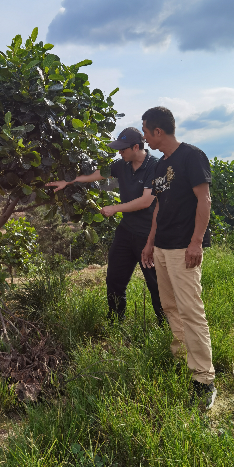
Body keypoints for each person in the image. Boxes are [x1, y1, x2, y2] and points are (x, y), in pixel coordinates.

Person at [47, 127, 164, 324]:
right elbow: (98, 174)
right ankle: (115, 322)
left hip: (148, 233)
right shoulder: (122, 165)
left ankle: (166, 326)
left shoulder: (155, 166)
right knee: (114, 279)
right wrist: (68, 182)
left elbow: (146, 201)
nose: (120, 152)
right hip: (126, 231)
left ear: (136, 147)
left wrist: (115, 208)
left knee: (156, 284)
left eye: (123, 149)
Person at [140, 107, 216, 410]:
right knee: (170, 306)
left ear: (158, 131)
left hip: (184, 248)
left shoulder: (192, 156)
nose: (145, 137)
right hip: (162, 247)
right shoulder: (160, 166)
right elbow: (159, 208)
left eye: (146, 131)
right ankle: (182, 358)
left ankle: (204, 379)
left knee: (191, 310)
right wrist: (150, 243)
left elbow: (204, 199)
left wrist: (196, 242)